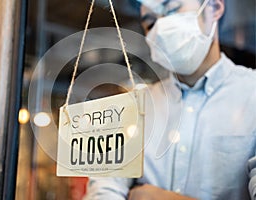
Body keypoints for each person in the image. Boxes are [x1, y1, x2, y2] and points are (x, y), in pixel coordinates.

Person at [84, 0, 256, 199]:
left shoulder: (251, 94)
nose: (162, 27)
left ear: (214, 8)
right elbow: (104, 191)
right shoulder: (133, 108)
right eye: (150, 23)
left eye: (173, 10)